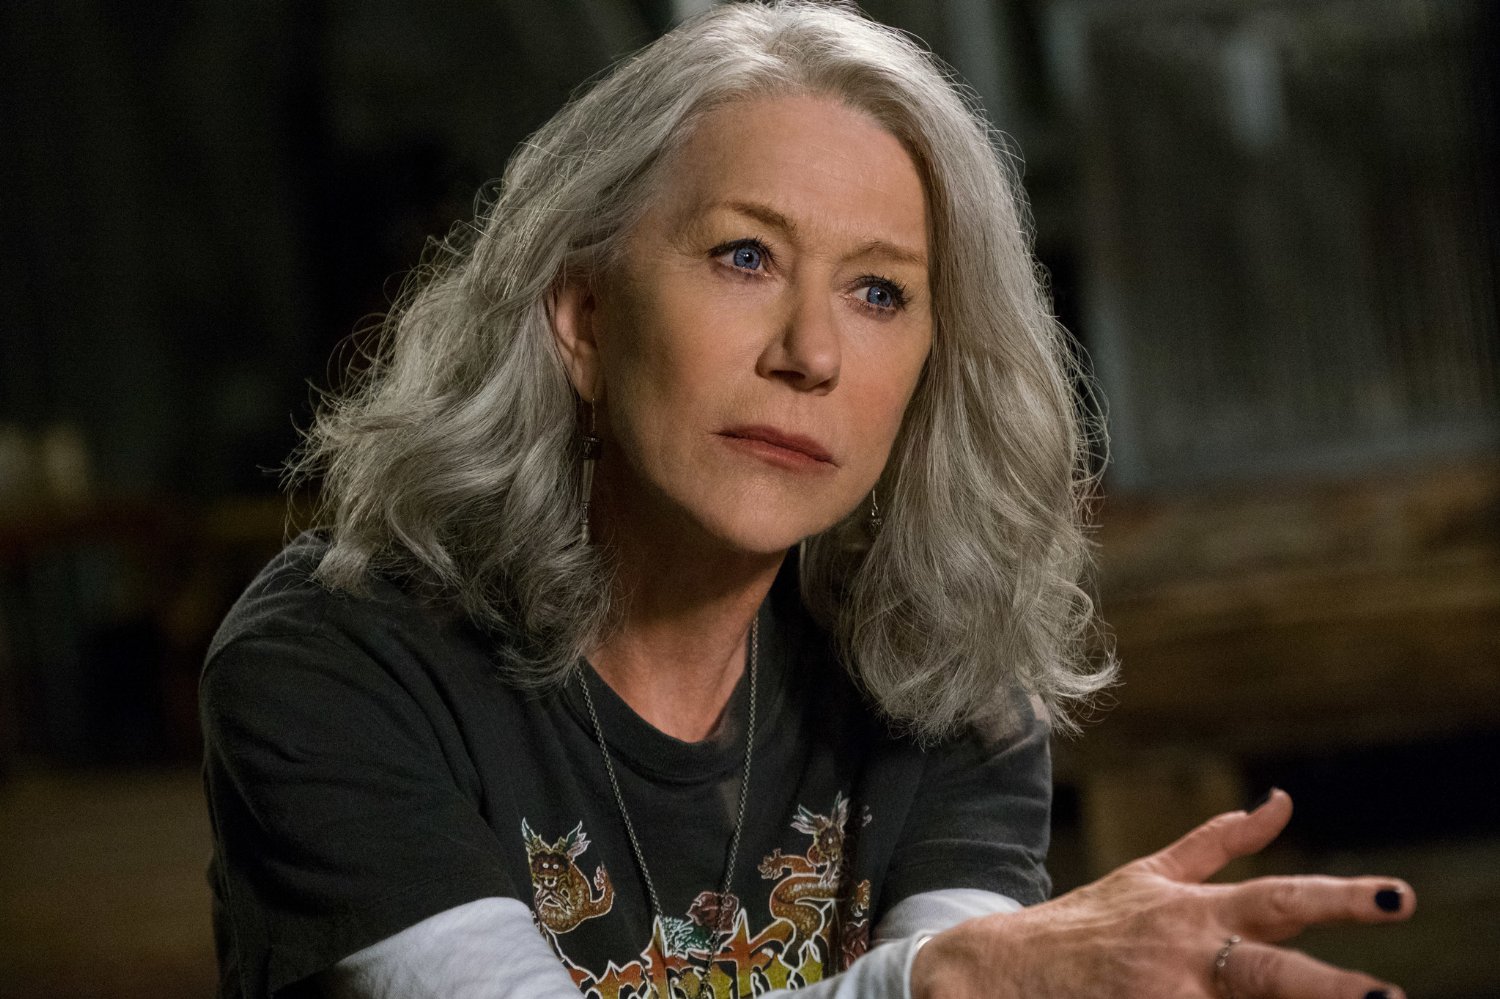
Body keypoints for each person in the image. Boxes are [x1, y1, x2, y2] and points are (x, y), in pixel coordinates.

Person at [199, 3, 1414, 997]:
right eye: (746, 257)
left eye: (880, 292)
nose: (812, 354)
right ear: (583, 317)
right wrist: (943, 982)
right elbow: (959, 984)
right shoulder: (334, 660)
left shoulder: (941, 670)